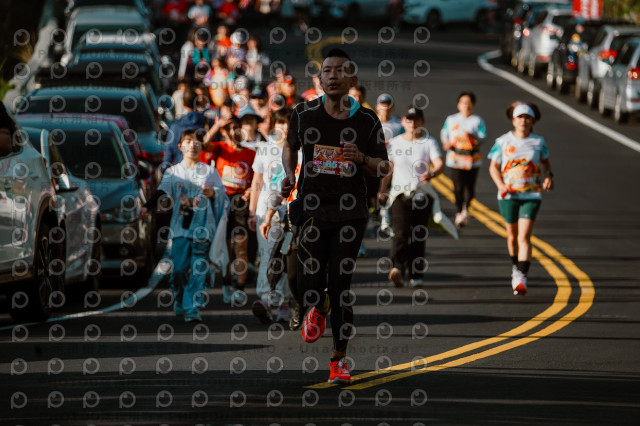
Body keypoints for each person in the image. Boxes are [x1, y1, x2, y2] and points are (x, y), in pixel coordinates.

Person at [281, 48, 390, 384]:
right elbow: (289, 147)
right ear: (320, 79)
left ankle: (338, 360)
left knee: (341, 285)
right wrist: (288, 173)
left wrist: (362, 159)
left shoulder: (367, 120)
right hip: (312, 208)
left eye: (340, 70)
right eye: (327, 70)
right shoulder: (303, 114)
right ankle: (319, 306)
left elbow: (383, 166)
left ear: (352, 78)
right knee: (308, 281)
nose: (333, 76)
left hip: (350, 213)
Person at [143, 129, 228, 322]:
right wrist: (146, 207)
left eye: (197, 142)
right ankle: (180, 298)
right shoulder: (173, 172)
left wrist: (212, 194)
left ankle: (192, 307)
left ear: (201, 147)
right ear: (180, 146)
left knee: (198, 270)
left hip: (203, 229)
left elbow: (222, 196)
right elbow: (161, 192)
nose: (193, 145)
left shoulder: (210, 171)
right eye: (188, 142)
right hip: (180, 228)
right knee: (180, 269)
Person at [488, 102, 554, 295]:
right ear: (513, 120)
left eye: (527, 117)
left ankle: (521, 276)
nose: (523, 121)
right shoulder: (503, 141)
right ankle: (516, 267)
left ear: (532, 121)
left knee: (523, 236)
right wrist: (500, 185)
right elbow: (493, 167)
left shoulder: (538, 142)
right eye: (520, 117)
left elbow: (545, 162)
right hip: (508, 195)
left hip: (531, 194)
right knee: (512, 237)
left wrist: (549, 176)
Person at [381, 107, 444, 288]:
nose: (412, 124)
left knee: (418, 235)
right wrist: (383, 190)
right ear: (403, 122)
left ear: (422, 122)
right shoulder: (395, 143)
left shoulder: (428, 142)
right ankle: (397, 269)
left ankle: (416, 274)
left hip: (421, 195)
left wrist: (432, 173)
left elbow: (439, 163)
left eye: (416, 120)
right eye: (408, 120)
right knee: (400, 233)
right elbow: (389, 168)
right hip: (400, 195)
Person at [249, 107, 296, 324]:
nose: (284, 128)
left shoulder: (300, 150)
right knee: (267, 255)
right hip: (265, 213)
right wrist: (252, 211)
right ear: (274, 125)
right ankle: (266, 299)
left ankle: (284, 302)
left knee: (286, 257)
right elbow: (257, 181)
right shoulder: (265, 149)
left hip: (291, 212)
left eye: (288, 124)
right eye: (280, 123)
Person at [203, 116, 256, 304]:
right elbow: (204, 144)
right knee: (224, 246)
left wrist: (251, 190)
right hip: (222, 201)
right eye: (229, 129)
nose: (233, 132)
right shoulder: (220, 148)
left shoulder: (250, 153)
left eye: (236, 128)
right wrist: (217, 125)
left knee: (240, 246)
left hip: (241, 202)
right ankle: (226, 283)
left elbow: (257, 178)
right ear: (224, 132)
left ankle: (240, 288)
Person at [440, 91, 487, 228]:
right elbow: (444, 132)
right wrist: (446, 142)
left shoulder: (477, 120)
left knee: (470, 188)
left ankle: (467, 207)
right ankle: (460, 211)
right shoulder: (451, 119)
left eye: (468, 103)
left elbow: (483, 136)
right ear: (458, 105)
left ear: (473, 105)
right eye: (463, 102)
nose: (466, 105)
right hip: (455, 157)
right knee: (458, 187)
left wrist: (474, 138)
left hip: (472, 158)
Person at [163, 88, 206, 171]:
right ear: (198, 103)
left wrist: (165, 171)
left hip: (181, 172)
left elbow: (168, 152)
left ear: (183, 104)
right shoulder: (207, 122)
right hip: (203, 172)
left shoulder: (176, 125)